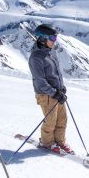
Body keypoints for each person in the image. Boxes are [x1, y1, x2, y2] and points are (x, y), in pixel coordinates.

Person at [28, 23, 73, 154]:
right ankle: (47, 142)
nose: (55, 41)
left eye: (55, 38)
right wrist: (54, 93)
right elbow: (40, 81)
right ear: (42, 38)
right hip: (46, 94)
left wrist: (61, 88)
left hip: (56, 93)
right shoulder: (36, 58)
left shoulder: (51, 52)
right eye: (52, 38)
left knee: (62, 119)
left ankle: (60, 141)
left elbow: (57, 73)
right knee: (51, 121)